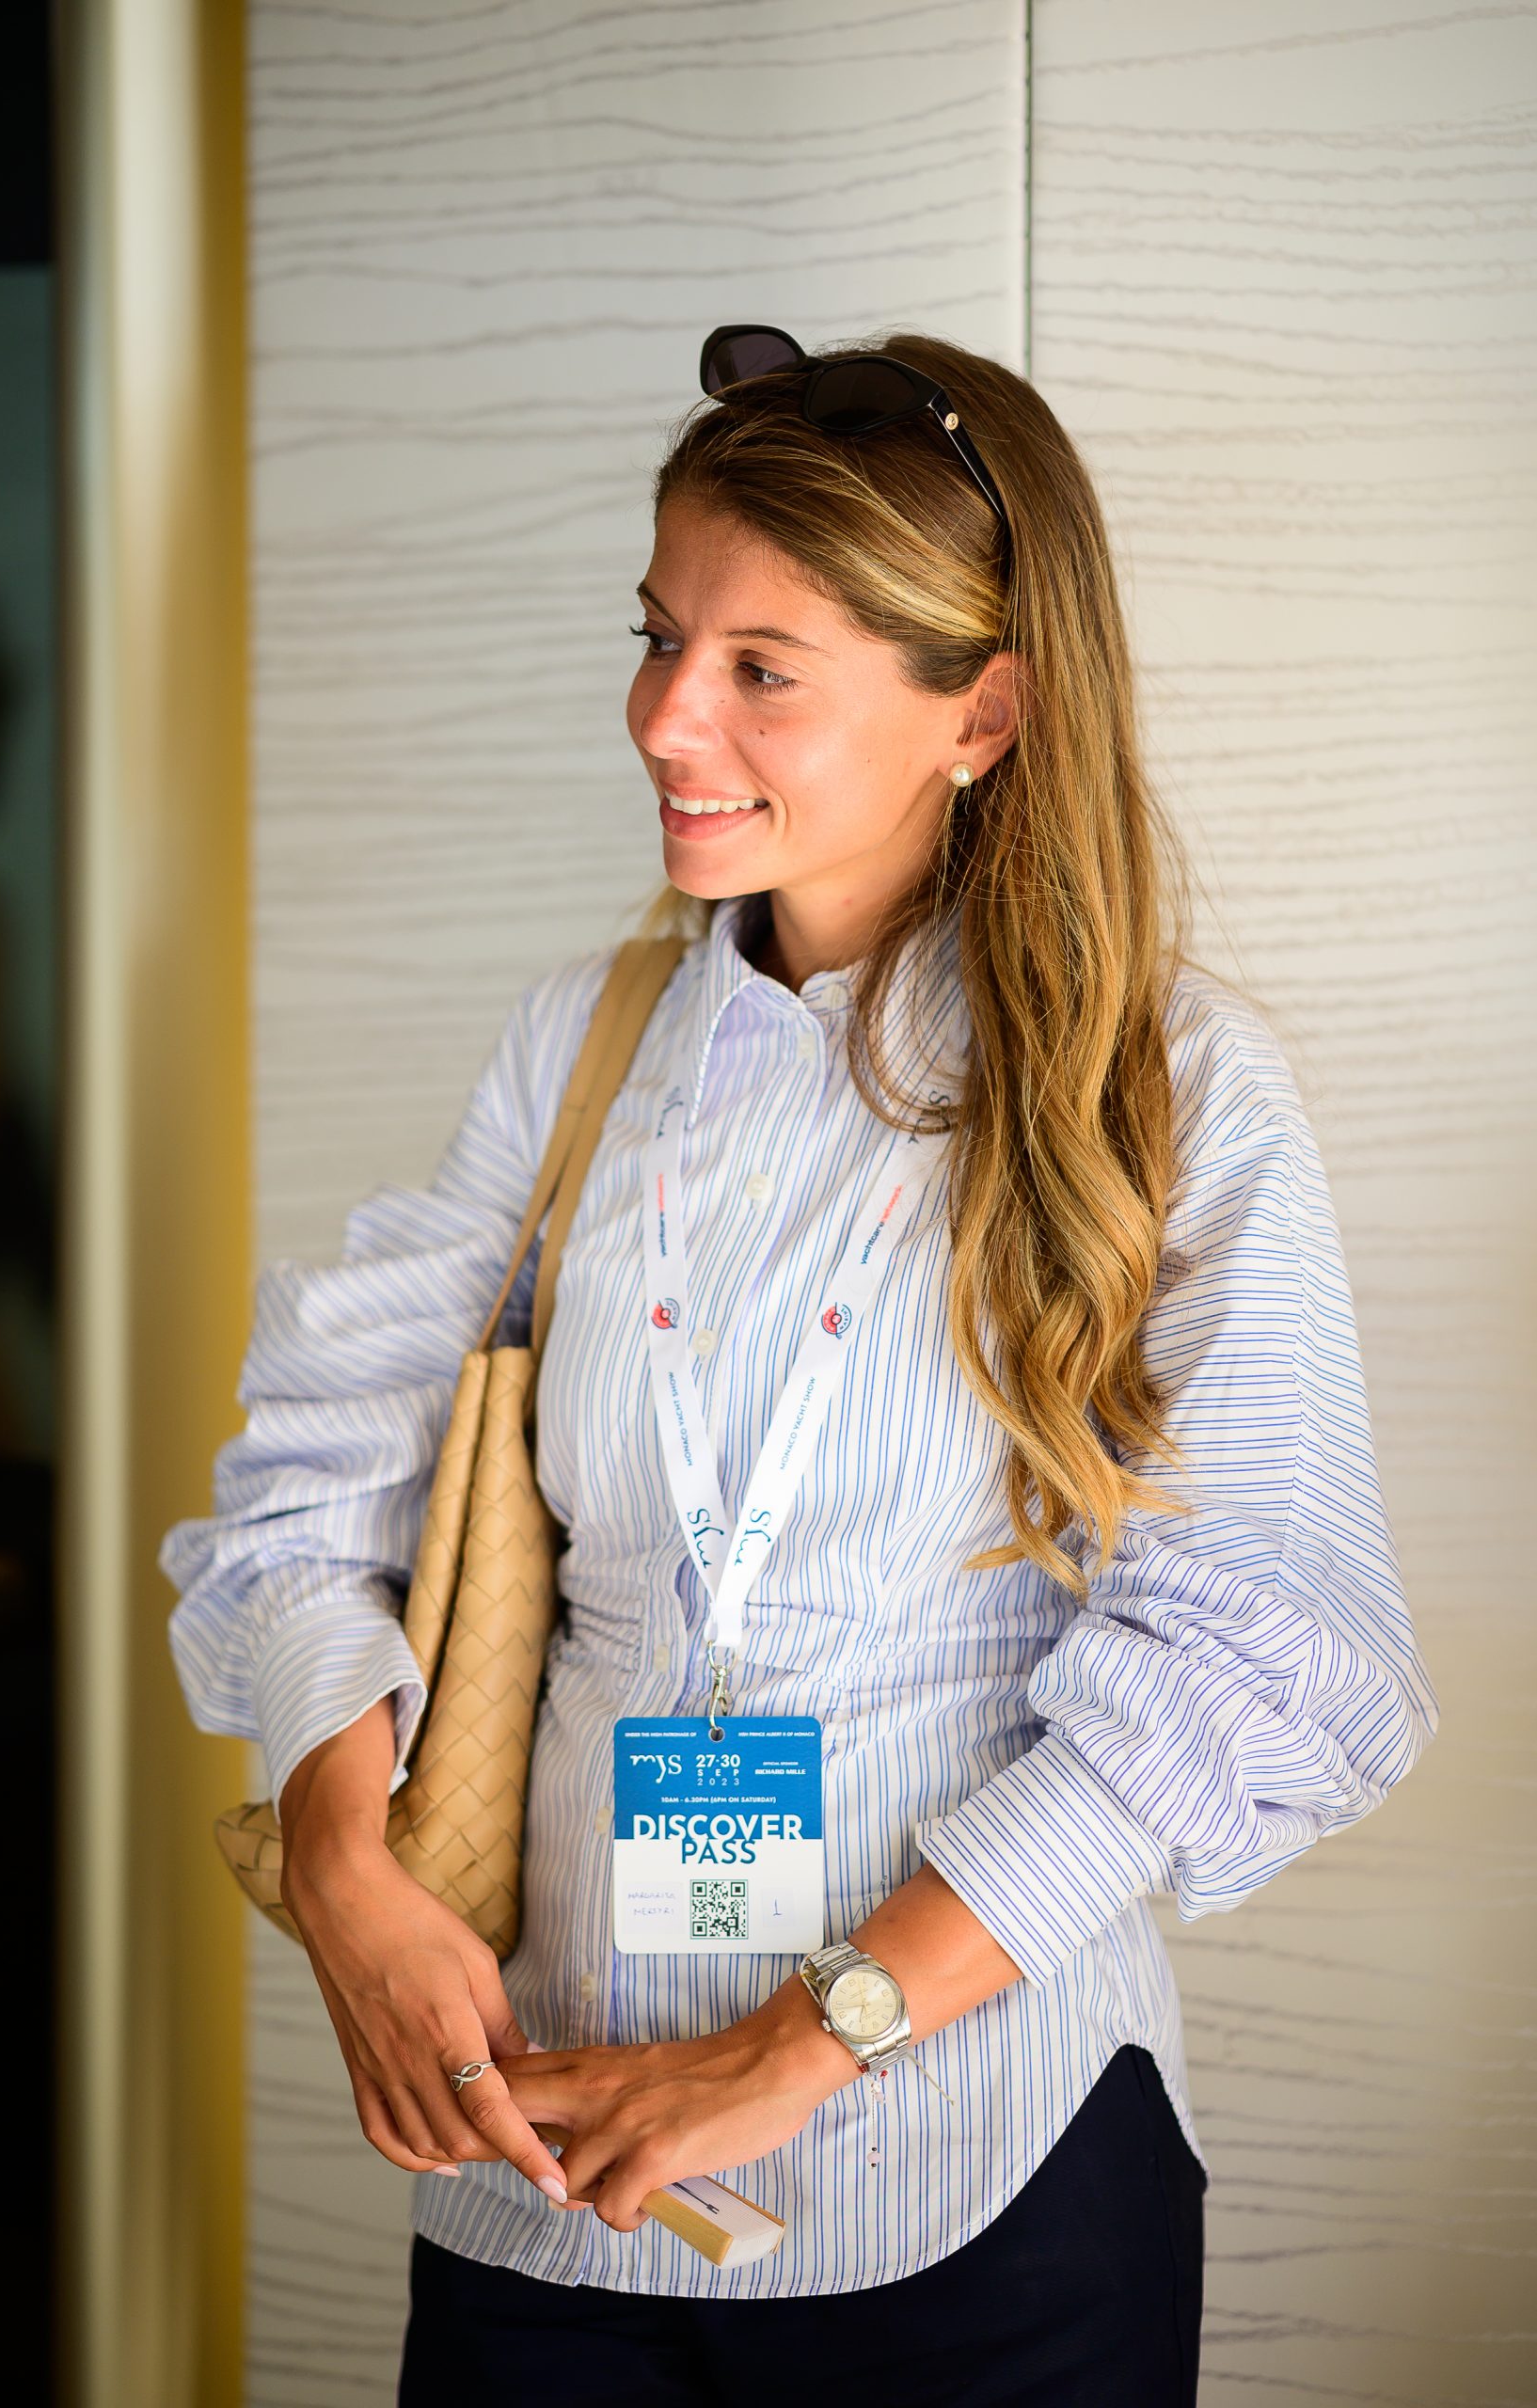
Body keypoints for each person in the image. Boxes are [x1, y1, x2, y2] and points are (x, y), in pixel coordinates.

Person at [161, 327, 1439, 2405]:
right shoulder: (580, 1044)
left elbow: (1246, 1649)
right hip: (550, 2175)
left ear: (983, 713)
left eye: (764, 665)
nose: (665, 715)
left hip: (984, 2180)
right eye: (661, 636)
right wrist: (340, 1854)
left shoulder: (1171, 1093)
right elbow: (316, 1484)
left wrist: (797, 2040)